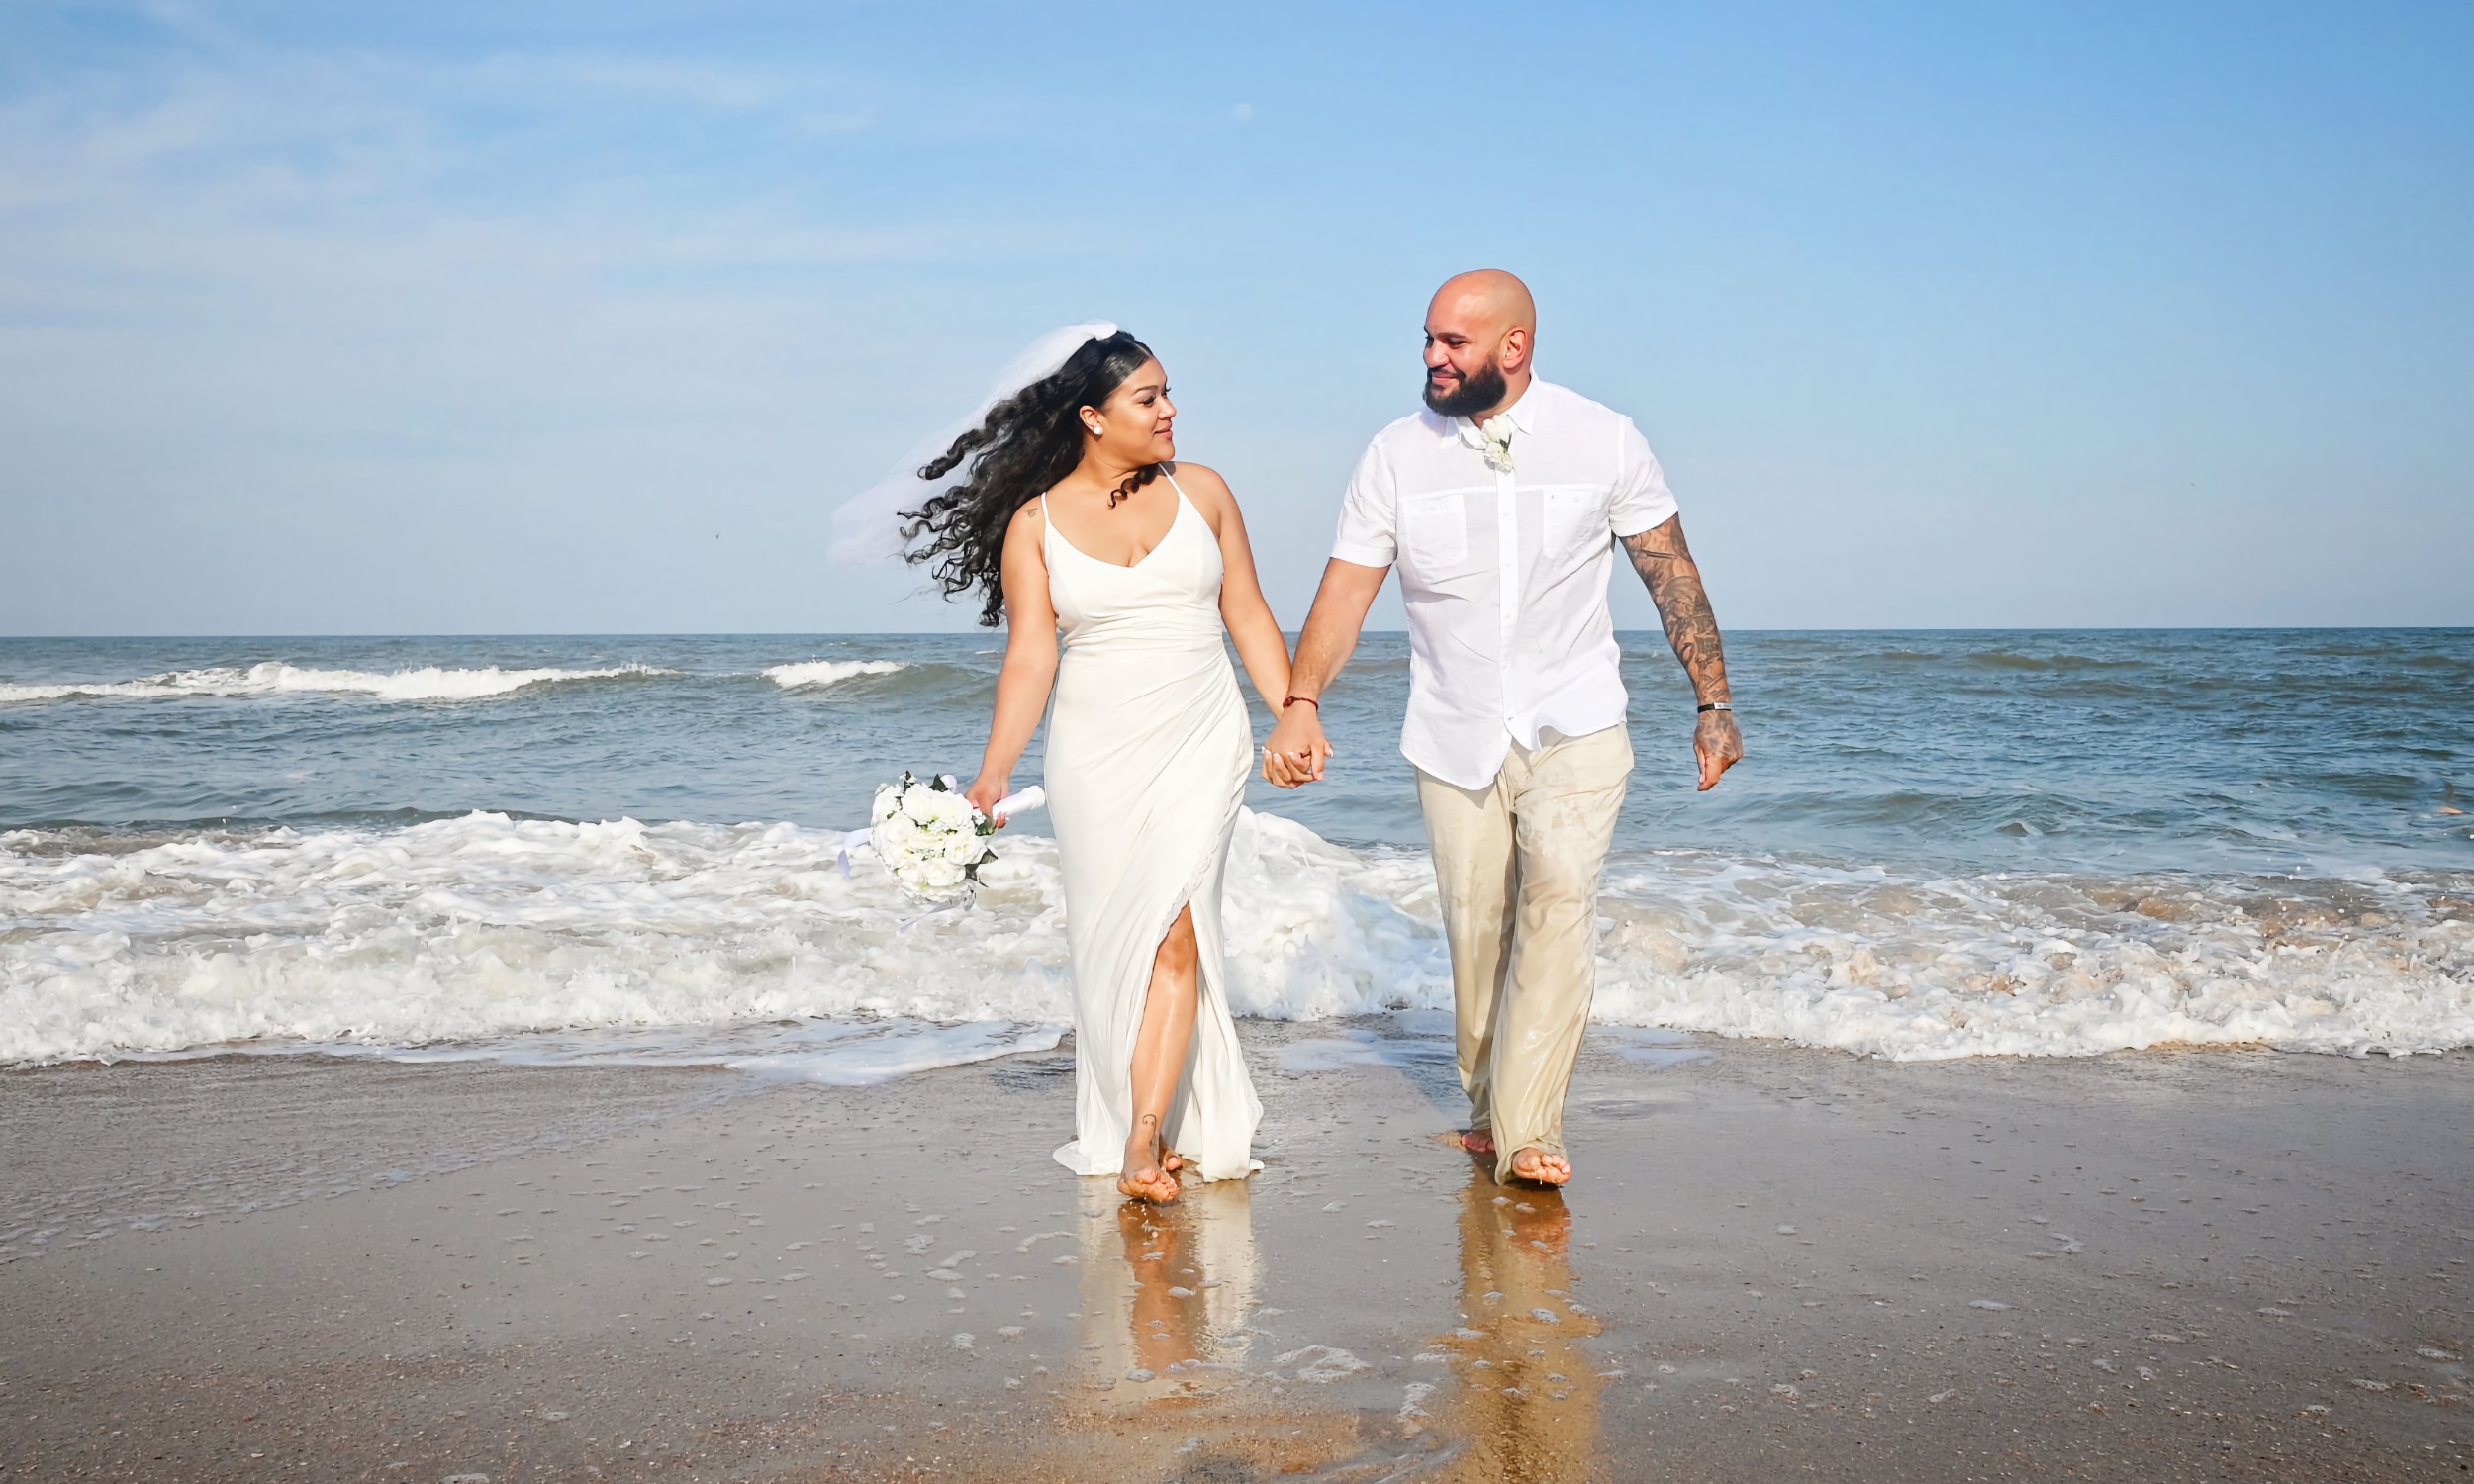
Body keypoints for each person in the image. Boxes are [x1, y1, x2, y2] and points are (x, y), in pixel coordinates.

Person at [1264, 271, 1743, 1187]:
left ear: (1513, 349)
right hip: (1453, 729)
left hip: (1578, 721)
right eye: (1429, 340)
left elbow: (1670, 571)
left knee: (1559, 902)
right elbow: (1346, 589)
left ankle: (1531, 1129)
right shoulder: (1396, 456)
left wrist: (1713, 704)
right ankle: (1487, 1105)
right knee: (1477, 927)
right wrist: (1303, 699)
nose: (1433, 359)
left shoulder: (1605, 439)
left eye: (1454, 343)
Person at [891, 326, 1288, 1203]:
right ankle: (1143, 1117)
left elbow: (1250, 616)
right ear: (1092, 418)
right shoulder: (1035, 525)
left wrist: (1293, 710)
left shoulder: (1206, 493)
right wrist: (995, 772)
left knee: (1176, 928)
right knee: (1117, 942)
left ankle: (1144, 1141)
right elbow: (1032, 655)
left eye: (1168, 391)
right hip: (1094, 754)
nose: (1169, 409)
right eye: (1148, 398)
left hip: (1200, 735)